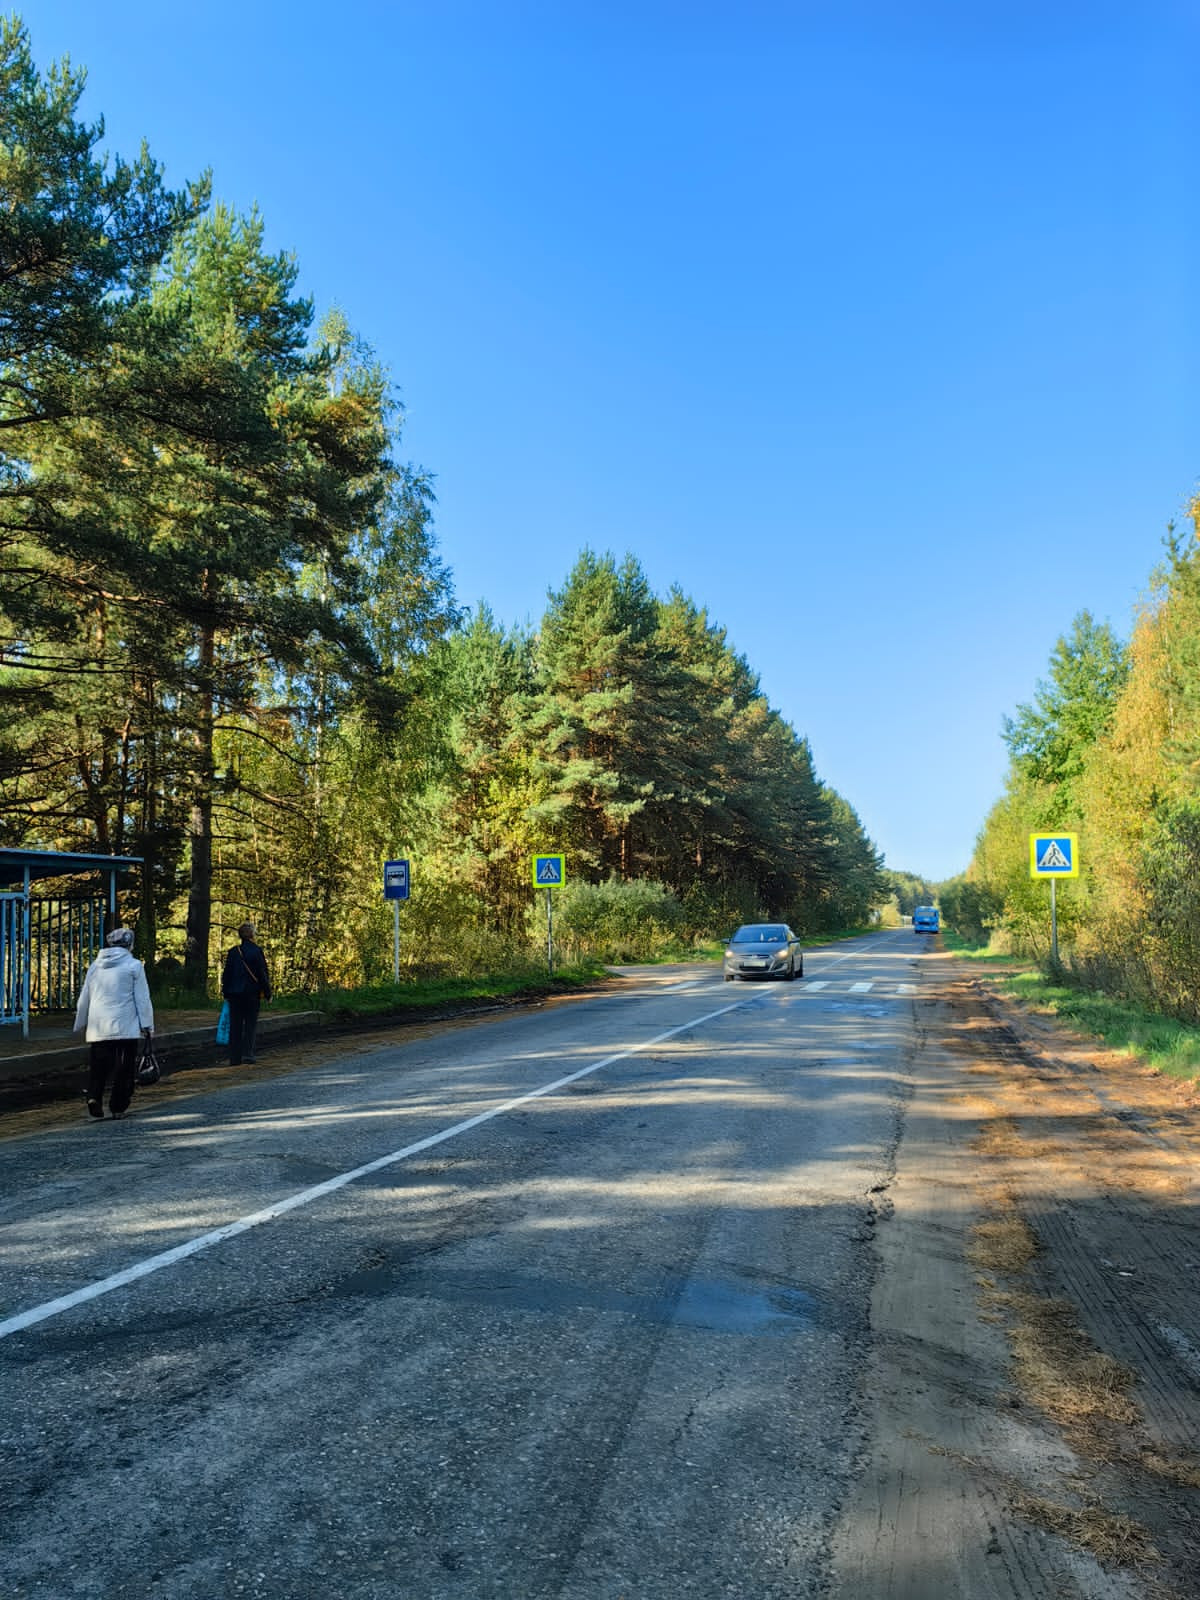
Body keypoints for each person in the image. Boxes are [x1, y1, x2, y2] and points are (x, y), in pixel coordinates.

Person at [73, 927, 154, 1120]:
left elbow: (85, 996)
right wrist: (147, 1025)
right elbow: (142, 998)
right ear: (130, 944)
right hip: (126, 1025)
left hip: (99, 1026)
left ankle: (94, 1096)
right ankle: (118, 1106)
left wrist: (81, 1022)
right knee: (124, 1067)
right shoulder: (134, 966)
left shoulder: (96, 966)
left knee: (99, 1065)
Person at [221, 921, 271, 1066]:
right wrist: (267, 993)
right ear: (252, 935)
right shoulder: (257, 951)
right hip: (251, 994)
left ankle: (234, 1057)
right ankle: (247, 1054)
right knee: (250, 1024)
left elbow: (227, 974)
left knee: (235, 1025)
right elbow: (262, 974)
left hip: (234, 994)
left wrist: (226, 992)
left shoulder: (233, 952)